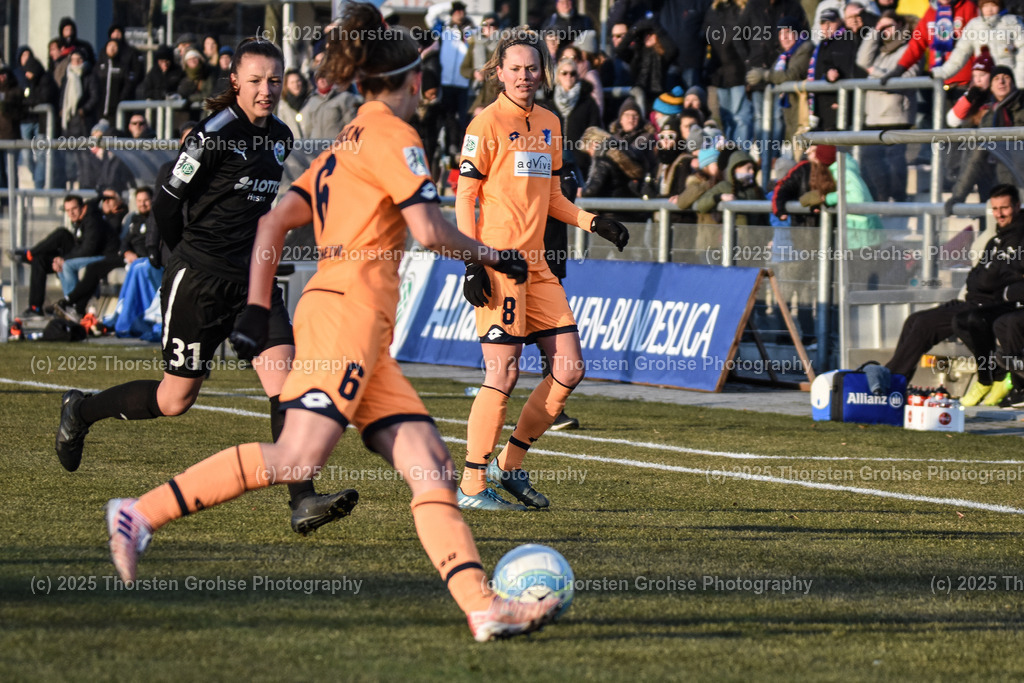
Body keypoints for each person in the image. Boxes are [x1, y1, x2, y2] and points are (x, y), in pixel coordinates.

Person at [102, 4, 562, 642]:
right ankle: (137, 515)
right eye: (420, 78)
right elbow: (429, 230)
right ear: (404, 81)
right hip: (344, 317)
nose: (425, 89)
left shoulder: (347, 139)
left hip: (359, 327)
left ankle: (481, 606)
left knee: (430, 464)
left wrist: (260, 309)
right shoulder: (395, 138)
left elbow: (274, 220)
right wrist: (492, 253)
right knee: (295, 459)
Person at [55, 37, 351, 537]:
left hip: (252, 284)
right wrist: (176, 255)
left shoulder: (279, 136)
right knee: (176, 399)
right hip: (199, 279)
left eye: (274, 81)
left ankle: (302, 500)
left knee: (287, 386)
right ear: (235, 79)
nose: (266, 90)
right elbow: (169, 200)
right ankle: (80, 409)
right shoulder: (213, 133)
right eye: (256, 80)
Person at [454, 28, 629, 511]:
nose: (525, 76)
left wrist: (595, 222)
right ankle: (470, 485)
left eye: (533, 68)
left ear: (543, 72)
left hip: (539, 265)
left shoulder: (551, 122)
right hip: (499, 265)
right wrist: (474, 260)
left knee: (569, 368)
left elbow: (551, 197)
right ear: (498, 72)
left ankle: (508, 466)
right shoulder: (483, 125)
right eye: (516, 68)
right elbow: (465, 197)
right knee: (503, 373)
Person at [885, 185, 1024, 405]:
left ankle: (888, 385)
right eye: (995, 208)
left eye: (1004, 208)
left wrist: (983, 278)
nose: (999, 214)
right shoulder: (997, 237)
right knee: (914, 320)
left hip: (989, 306)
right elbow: (977, 276)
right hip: (971, 301)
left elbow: (995, 279)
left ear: (1017, 206)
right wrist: (982, 278)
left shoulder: (1018, 237)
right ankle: (893, 382)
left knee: (924, 325)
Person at [11, 194, 112, 317]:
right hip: (81, 252)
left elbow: (89, 249)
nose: (71, 213)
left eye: (74, 209)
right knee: (40, 260)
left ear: (83, 208)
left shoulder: (92, 219)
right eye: (68, 211)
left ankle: (29, 254)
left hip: (96, 256)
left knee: (62, 240)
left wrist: (64, 259)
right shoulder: (81, 220)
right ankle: (35, 308)